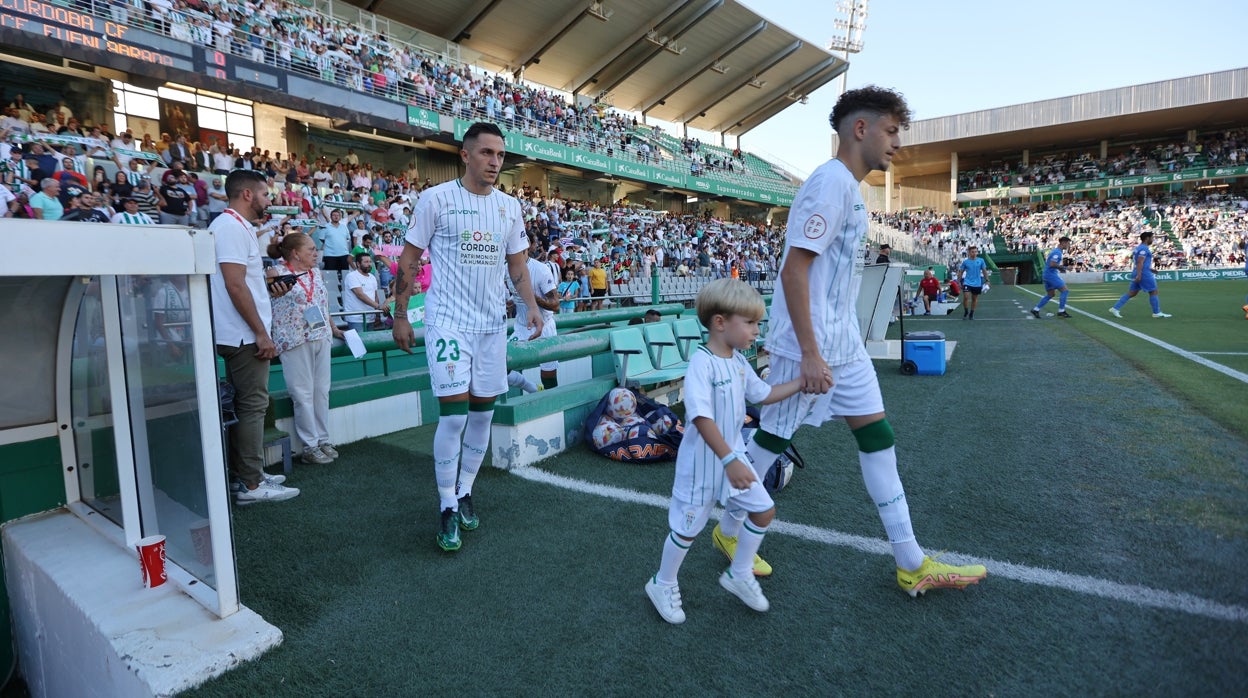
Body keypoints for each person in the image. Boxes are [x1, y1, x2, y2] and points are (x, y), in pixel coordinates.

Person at [730, 86, 987, 596]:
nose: (897, 144)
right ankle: (728, 528)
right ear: (861, 129)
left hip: (842, 343)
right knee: (771, 442)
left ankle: (910, 560)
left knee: (877, 438)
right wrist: (808, 352)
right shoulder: (830, 184)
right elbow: (794, 271)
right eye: (891, 131)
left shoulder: (847, 187)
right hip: (807, 344)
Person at [392, 121, 542, 552]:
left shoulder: (509, 207)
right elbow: (408, 259)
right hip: (448, 323)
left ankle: (464, 490)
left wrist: (530, 304)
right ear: (465, 154)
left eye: (500, 155)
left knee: (482, 417)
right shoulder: (435, 199)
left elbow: (517, 265)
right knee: (455, 417)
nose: (495, 162)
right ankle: (445, 505)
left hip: (492, 326)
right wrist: (400, 314)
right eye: (486, 153)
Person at [644, 279, 805, 624]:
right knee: (687, 529)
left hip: (732, 458)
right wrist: (730, 459)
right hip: (704, 464)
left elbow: (762, 394)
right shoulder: (702, 364)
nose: (756, 331)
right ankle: (662, 582)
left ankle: (739, 572)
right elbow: (699, 417)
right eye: (749, 323)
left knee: (763, 511)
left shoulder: (737, 362)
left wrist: (801, 384)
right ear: (720, 322)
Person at [209, 169, 301, 504]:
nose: (269, 199)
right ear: (247, 194)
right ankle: (250, 484)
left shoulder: (234, 226)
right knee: (253, 406)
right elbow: (234, 285)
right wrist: (261, 333)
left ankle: (250, 475)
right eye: (264, 194)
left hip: (242, 332)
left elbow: (241, 283)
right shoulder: (230, 226)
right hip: (243, 335)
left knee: (251, 405)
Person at [267, 232, 345, 465]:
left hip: (320, 335)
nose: (316, 252)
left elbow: (323, 304)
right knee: (302, 394)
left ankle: (323, 439)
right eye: (310, 249)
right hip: (294, 338)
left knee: (321, 391)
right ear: (295, 253)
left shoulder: (315, 273)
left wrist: (333, 328)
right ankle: (310, 446)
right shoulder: (275, 273)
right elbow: (267, 293)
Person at [506, 232, 560, 394]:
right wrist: (509, 302)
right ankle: (532, 388)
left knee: (548, 374)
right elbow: (511, 296)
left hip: (545, 327)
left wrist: (531, 297)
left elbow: (555, 305)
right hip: (522, 326)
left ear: (527, 246)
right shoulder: (505, 269)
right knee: (500, 365)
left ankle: (552, 404)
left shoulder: (541, 270)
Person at [1109, 231, 1171, 318]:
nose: (1153, 240)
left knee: (1132, 293)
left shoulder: (1138, 248)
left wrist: (1150, 269)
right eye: (1152, 238)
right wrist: (1140, 274)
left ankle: (1115, 308)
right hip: (1143, 273)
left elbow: (1140, 262)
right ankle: (1156, 312)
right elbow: (1140, 262)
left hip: (1138, 271)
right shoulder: (1144, 249)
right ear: (1147, 238)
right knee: (1153, 291)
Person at [342, 252, 384, 334]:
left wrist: (377, 314)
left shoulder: (372, 277)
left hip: (370, 317)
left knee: (369, 344)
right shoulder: (352, 276)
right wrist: (378, 306)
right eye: (366, 262)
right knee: (359, 344)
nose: (369, 264)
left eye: (370, 262)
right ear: (358, 263)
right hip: (356, 318)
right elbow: (360, 295)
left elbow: (375, 296)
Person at [1031, 236, 1072, 318]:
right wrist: (1065, 267)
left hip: (1047, 274)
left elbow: (1051, 264)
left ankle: (1036, 309)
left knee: (1051, 294)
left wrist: (1060, 269)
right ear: (1063, 243)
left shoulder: (1055, 251)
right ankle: (1061, 311)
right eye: (1068, 243)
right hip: (1051, 275)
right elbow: (1052, 264)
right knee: (1065, 290)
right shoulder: (1057, 252)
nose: (1068, 246)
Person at [958, 245, 989, 320]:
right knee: (966, 297)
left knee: (974, 299)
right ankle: (966, 311)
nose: (974, 253)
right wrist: (958, 281)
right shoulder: (965, 262)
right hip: (967, 282)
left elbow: (984, 271)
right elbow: (961, 272)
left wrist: (987, 280)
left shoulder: (981, 260)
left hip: (977, 283)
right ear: (969, 252)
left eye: (975, 252)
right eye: (972, 252)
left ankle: (971, 313)